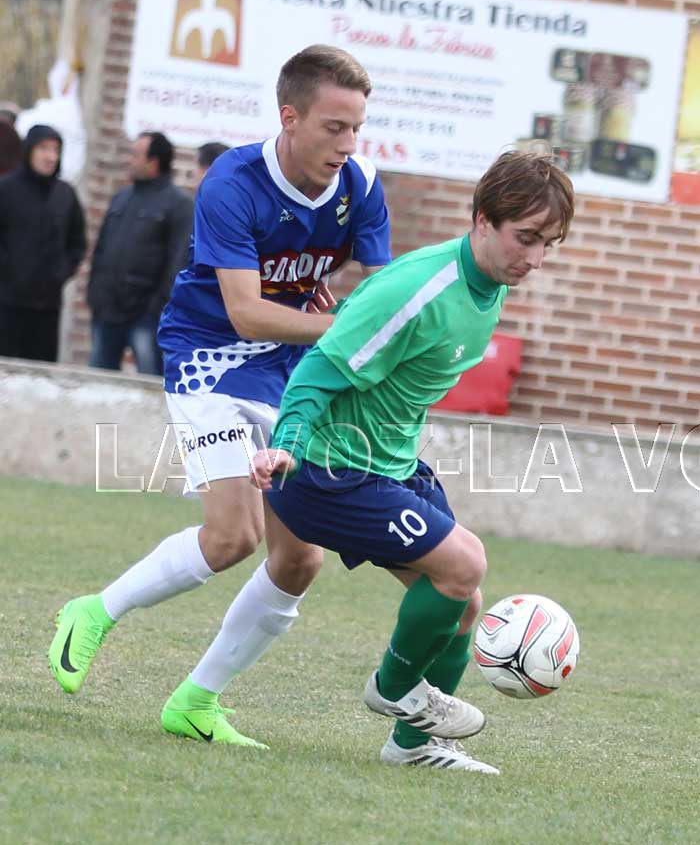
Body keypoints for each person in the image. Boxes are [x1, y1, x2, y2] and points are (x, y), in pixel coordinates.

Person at [48, 45, 391, 746]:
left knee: (300, 559)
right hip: (211, 359)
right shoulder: (233, 182)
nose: (348, 144)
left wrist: (359, 322)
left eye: (357, 127)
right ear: (290, 118)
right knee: (234, 535)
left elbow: (381, 293)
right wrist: (345, 326)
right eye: (334, 127)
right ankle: (94, 611)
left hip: (292, 369)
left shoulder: (360, 184)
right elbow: (246, 314)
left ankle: (196, 701)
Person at [250, 150, 575, 772]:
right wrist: (286, 442)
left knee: (465, 601)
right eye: (526, 237)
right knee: (464, 562)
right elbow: (319, 368)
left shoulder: (489, 286)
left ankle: (413, 745)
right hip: (327, 468)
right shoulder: (419, 287)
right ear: (483, 220)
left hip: (388, 466)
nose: (535, 259)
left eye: (547, 244)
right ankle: (393, 688)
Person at [87, 131, 194, 375]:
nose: (129, 160)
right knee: (97, 382)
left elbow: (178, 262)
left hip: (146, 316)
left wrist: (156, 308)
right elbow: (101, 250)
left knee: (149, 381)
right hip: (107, 311)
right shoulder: (121, 198)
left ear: (153, 162)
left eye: (135, 155)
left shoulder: (179, 205)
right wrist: (95, 295)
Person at [0, 124, 86, 361]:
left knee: (41, 371)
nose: (50, 157)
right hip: (7, 302)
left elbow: (77, 242)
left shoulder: (65, 194)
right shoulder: (6, 189)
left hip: (47, 305)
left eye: (56, 150)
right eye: (44, 149)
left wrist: (61, 271)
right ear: (29, 151)